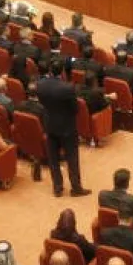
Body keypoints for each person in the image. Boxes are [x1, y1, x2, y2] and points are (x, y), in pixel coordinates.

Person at [35, 59, 88, 197]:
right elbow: (75, 109)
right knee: (72, 158)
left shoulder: (40, 85)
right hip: (67, 128)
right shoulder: (68, 88)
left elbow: (42, 103)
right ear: (62, 71)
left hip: (50, 125)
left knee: (53, 159)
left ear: (51, 71)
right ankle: (76, 188)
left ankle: (57, 187)